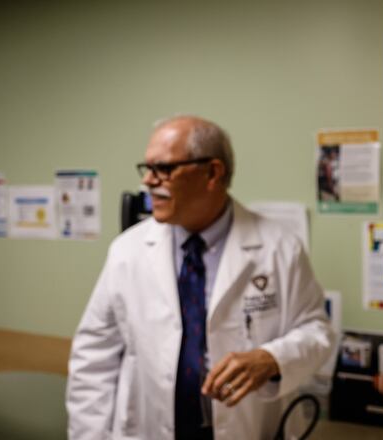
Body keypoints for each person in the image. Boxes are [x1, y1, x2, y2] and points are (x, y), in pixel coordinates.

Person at [66, 115, 334, 440]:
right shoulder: (127, 251)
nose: (148, 181)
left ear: (212, 172)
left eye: (163, 169)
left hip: (245, 428)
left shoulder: (280, 247)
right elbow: (93, 360)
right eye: (147, 168)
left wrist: (272, 359)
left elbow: (317, 331)